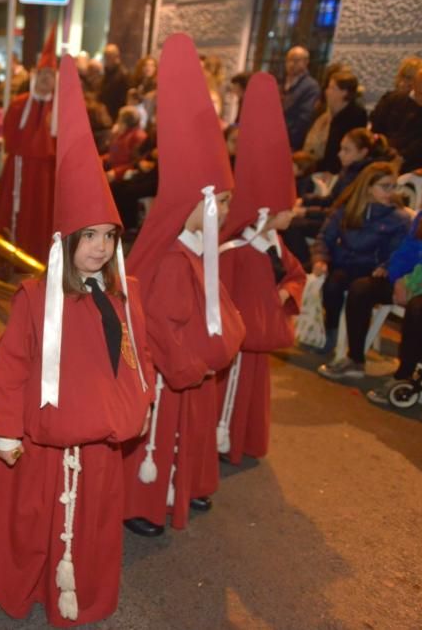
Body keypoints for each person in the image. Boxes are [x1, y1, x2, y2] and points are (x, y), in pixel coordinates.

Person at [0, 55, 155, 628]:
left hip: (98, 442)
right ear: (65, 240)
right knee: (32, 521)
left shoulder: (125, 296)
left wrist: (137, 403)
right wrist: (4, 429)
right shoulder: (34, 297)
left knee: (91, 521)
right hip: (44, 444)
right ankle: (22, 585)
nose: (99, 248)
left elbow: (133, 358)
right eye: (88, 238)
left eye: (108, 236)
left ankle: (83, 591)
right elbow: (13, 368)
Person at [122, 33, 245, 537]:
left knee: (188, 432)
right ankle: (147, 501)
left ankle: (185, 482)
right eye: (220, 204)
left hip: (195, 372)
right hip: (176, 375)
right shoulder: (173, 258)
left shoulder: (197, 250)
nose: (227, 213)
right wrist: (189, 363)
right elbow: (161, 328)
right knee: (163, 434)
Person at [318, 165, 422, 397]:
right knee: (361, 288)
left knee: (419, 307)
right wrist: (397, 278)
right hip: (416, 281)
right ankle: (355, 360)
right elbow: (406, 252)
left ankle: (403, 377)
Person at [217, 72, 306, 466]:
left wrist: (287, 291)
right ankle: (223, 436)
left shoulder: (274, 243)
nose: (295, 211)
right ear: (270, 210)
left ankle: (243, 437)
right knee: (230, 390)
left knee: (250, 389)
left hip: (259, 338)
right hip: (236, 344)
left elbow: (295, 273)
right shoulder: (236, 248)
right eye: (289, 206)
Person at [312, 161, 413, 357]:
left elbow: (400, 251)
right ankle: (331, 329)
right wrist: (320, 258)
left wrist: (387, 266)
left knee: (360, 289)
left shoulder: (398, 218)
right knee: (332, 284)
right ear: (367, 187)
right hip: (346, 263)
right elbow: (325, 237)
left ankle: (352, 351)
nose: (391, 192)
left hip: (374, 270)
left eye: (394, 186)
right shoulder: (347, 209)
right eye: (385, 186)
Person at [0, 27, 58, 261]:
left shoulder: (60, 109)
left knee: (41, 212)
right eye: (42, 76)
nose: (45, 81)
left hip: (46, 174)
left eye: (50, 76)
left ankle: (38, 253)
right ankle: (8, 253)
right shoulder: (20, 104)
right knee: (15, 210)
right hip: (20, 168)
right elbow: (11, 135)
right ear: (35, 77)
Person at [284, 129, 396, 268]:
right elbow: (332, 199)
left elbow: (343, 210)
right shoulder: (348, 170)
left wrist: (306, 212)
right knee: (288, 220)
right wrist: (305, 200)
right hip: (333, 216)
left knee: (291, 225)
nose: (339, 154)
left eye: (346, 150)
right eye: (341, 148)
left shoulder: (363, 176)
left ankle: (305, 264)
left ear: (363, 152)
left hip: (347, 223)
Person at [318, 70, 367, 174]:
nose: (327, 91)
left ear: (344, 92)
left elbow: (351, 148)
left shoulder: (356, 115)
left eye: (332, 88)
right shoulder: (328, 111)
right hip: (324, 166)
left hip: (340, 170)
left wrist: (332, 171)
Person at [282, 46, 320, 150]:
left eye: (296, 60)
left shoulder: (310, 86)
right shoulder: (282, 82)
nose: (291, 64)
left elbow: (305, 118)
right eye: (288, 60)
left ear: (306, 62)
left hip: (292, 142)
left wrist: (290, 139)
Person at [100, 44, 128, 121]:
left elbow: (123, 100)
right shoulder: (106, 73)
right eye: (105, 56)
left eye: (108, 56)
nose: (106, 59)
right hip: (105, 115)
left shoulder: (122, 75)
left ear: (116, 57)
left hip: (114, 115)